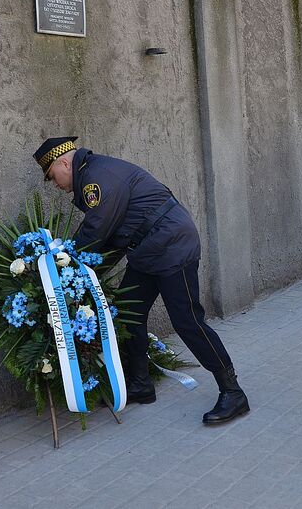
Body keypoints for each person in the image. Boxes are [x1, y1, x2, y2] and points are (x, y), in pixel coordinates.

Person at [33, 137, 249, 424]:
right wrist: (85, 272)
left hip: (172, 245)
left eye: (52, 176)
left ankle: (233, 392)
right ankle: (140, 384)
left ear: (63, 163)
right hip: (148, 251)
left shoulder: (95, 181)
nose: (54, 184)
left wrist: (67, 266)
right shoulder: (94, 172)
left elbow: (96, 232)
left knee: (187, 320)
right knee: (127, 311)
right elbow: (112, 236)